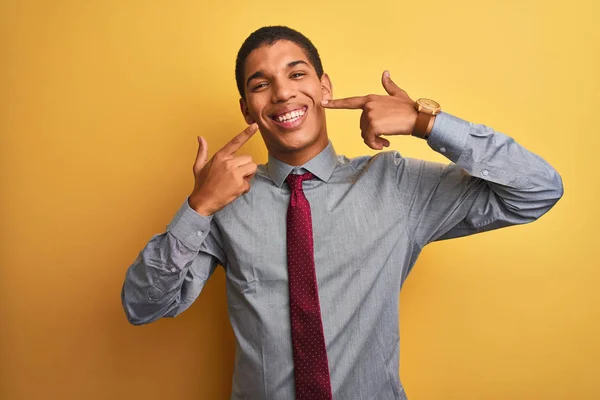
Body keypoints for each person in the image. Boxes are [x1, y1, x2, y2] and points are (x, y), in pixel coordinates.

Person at [121, 26, 563, 400]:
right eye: (261, 84)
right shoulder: (225, 202)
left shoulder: (396, 185)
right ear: (247, 108)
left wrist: (426, 123)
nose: (283, 92)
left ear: (324, 88)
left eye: (297, 74)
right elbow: (143, 305)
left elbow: (538, 190)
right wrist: (198, 207)